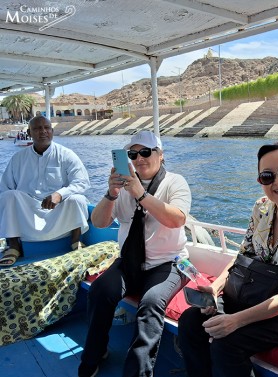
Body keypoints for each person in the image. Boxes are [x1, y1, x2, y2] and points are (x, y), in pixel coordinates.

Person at [178, 141, 278, 377]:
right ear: (260, 182)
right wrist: (215, 288)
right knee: (191, 321)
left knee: (228, 343)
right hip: (260, 292)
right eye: (268, 176)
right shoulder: (262, 208)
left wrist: (236, 321)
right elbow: (244, 255)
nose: (277, 182)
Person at [78, 131, 191, 377]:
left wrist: (141, 193)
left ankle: (137, 373)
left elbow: (177, 219)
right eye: (133, 154)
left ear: (160, 156)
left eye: (146, 152)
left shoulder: (175, 182)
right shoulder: (124, 186)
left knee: (150, 304)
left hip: (167, 263)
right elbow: (98, 222)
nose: (139, 158)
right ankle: (94, 355)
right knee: (99, 291)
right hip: (129, 261)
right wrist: (111, 194)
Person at [0, 115, 90, 266]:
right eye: (37, 128)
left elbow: (82, 182)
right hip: (27, 212)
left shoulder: (66, 155)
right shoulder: (18, 158)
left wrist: (60, 194)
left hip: (58, 210)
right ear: (29, 133)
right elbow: (5, 187)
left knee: (77, 199)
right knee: (9, 196)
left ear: (52, 131)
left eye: (46, 128)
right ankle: (14, 246)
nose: (43, 132)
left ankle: (76, 242)